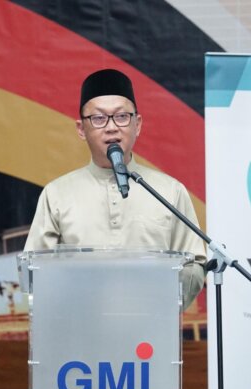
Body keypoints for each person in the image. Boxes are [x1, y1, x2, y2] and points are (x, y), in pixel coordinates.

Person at [24, 68, 206, 306]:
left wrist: (154, 298)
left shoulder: (169, 191)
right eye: (99, 118)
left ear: (137, 124)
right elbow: (34, 270)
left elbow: (194, 265)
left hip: (150, 324)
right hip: (80, 323)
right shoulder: (57, 194)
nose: (111, 127)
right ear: (81, 129)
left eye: (121, 117)